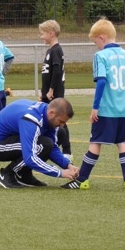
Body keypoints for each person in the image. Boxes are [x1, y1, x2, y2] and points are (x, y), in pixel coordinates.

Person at [62, 17, 125, 190]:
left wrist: (95, 107)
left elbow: (102, 82)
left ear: (102, 38)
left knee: (95, 143)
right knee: (123, 143)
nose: (96, 45)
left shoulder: (101, 56)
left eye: (95, 42)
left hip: (106, 110)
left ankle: (82, 180)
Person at [0, 98, 80, 189]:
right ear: (52, 113)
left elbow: (53, 148)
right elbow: (30, 158)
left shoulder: (47, 112)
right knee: (42, 145)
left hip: (11, 137)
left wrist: (68, 165)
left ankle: (24, 175)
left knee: (58, 134)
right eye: (61, 121)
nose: (62, 125)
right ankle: (7, 174)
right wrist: (60, 173)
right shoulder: (31, 119)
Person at [39, 19, 72, 160]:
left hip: (54, 94)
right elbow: (47, 73)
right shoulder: (50, 50)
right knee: (50, 119)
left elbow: (57, 71)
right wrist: (43, 92)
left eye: (42, 34)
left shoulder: (56, 50)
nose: (41, 36)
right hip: (48, 93)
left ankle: (67, 150)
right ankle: (51, 145)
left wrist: (51, 89)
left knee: (60, 120)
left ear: (51, 33)